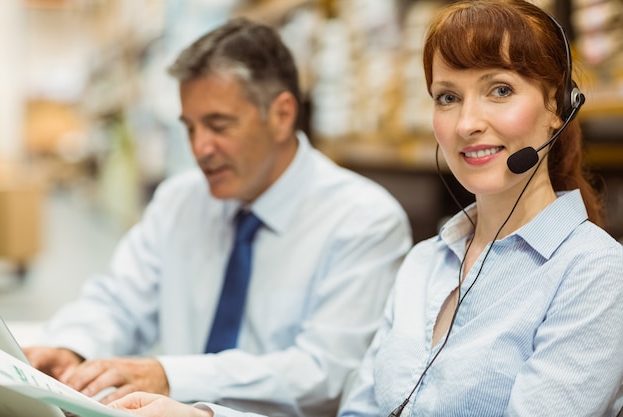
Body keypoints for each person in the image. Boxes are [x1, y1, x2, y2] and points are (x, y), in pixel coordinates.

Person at [107, 1, 623, 416]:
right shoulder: (425, 264)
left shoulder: (593, 274)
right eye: (447, 97)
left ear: (558, 108)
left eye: (500, 91)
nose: (467, 123)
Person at [24, 18, 412, 417]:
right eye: (190, 128)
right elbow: (119, 299)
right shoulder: (180, 200)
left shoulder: (363, 220)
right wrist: (70, 346)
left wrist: (171, 376)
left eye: (218, 125)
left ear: (281, 115)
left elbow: (326, 371)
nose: (200, 147)